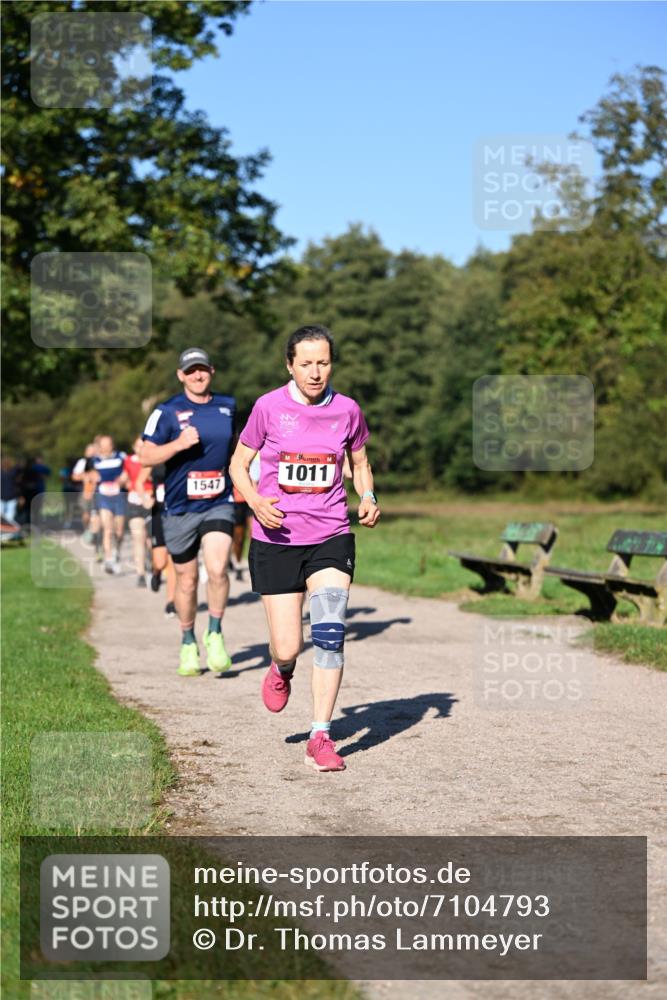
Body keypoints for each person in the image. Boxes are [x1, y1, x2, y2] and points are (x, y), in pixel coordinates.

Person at [229, 324, 380, 773]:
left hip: (331, 534)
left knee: (330, 632)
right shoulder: (268, 408)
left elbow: (359, 462)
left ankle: (321, 735)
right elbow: (239, 464)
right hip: (276, 539)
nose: (316, 372)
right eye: (307, 363)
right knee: (289, 645)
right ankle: (281, 670)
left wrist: (368, 496)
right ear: (290, 365)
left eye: (324, 362)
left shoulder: (348, 410)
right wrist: (255, 501)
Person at [140, 347, 237, 675]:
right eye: (191, 371)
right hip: (180, 507)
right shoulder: (166, 412)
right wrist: (178, 444)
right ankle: (187, 640)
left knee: (218, 567)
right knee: (186, 579)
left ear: (212, 371)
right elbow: (145, 456)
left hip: (219, 501)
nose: (198, 376)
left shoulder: (228, 406)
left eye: (203, 370)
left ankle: (215, 632)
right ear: (181, 375)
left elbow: (241, 447)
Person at [137, 460, 177, 616]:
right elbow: (139, 482)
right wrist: (145, 499)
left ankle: (170, 601)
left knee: (174, 559)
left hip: (177, 513)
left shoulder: (184, 455)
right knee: (160, 562)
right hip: (158, 514)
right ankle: (156, 572)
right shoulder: (155, 457)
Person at [92, 435, 127, 574]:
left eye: (109, 444)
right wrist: (91, 477)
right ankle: (108, 559)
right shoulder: (94, 460)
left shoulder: (121, 456)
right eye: (103, 445)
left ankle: (116, 552)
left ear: (113, 445)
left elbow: (128, 470)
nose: (106, 447)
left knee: (119, 531)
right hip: (103, 497)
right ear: (100, 446)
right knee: (108, 529)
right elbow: (86, 475)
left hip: (119, 497)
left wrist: (123, 478)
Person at [123, 437, 153, 587]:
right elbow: (124, 476)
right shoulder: (128, 461)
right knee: (138, 537)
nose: (141, 449)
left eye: (144, 446)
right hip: (134, 500)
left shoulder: (155, 460)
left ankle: (151, 562)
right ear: (134, 448)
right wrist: (121, 481)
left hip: (152, 501)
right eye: (138, 446)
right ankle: (140, 573)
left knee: (150, 540)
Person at [1, 456, 20, 525]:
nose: (6, 464)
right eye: (4, 462)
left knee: (9, 518)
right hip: (1, 498)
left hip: (12, 498)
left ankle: (9, 533)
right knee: (1, 518)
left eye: (7, 462)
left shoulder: (13, 472)